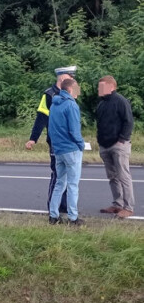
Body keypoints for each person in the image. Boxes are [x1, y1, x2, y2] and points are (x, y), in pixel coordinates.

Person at [26, 66, 77, 213]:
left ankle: (64, 206)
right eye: (71, 77)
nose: (73, 80)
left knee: (68, 174)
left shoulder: (69, 93)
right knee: (58, 174)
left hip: (69, 142)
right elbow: (41, 118)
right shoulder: (49, 95)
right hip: (55, 141)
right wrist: (33, 139)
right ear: (62, 78)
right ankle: (53, 207)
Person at [96, 75, 135, 218]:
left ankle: (128, 207)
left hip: (119, 144)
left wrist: (122, 139)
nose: (99, 89)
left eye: (102, 86)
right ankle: (117, 204)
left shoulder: (120, 101)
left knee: (124, 176)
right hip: (104, 145)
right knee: (112, 176)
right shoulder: (101, 104)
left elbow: (129, 122)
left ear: (111, 86)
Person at [48, 78, 85, 225]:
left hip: (58, 149)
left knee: (59, 183)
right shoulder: (71, 105)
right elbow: (74, 129)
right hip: (71, 149)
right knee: (73, 184)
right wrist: (81, 144)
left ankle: (53, 215)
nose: (78, 91)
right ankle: (73, 217)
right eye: (76, 88)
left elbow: (51, 129)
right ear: (70, 89)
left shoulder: (54, 104)